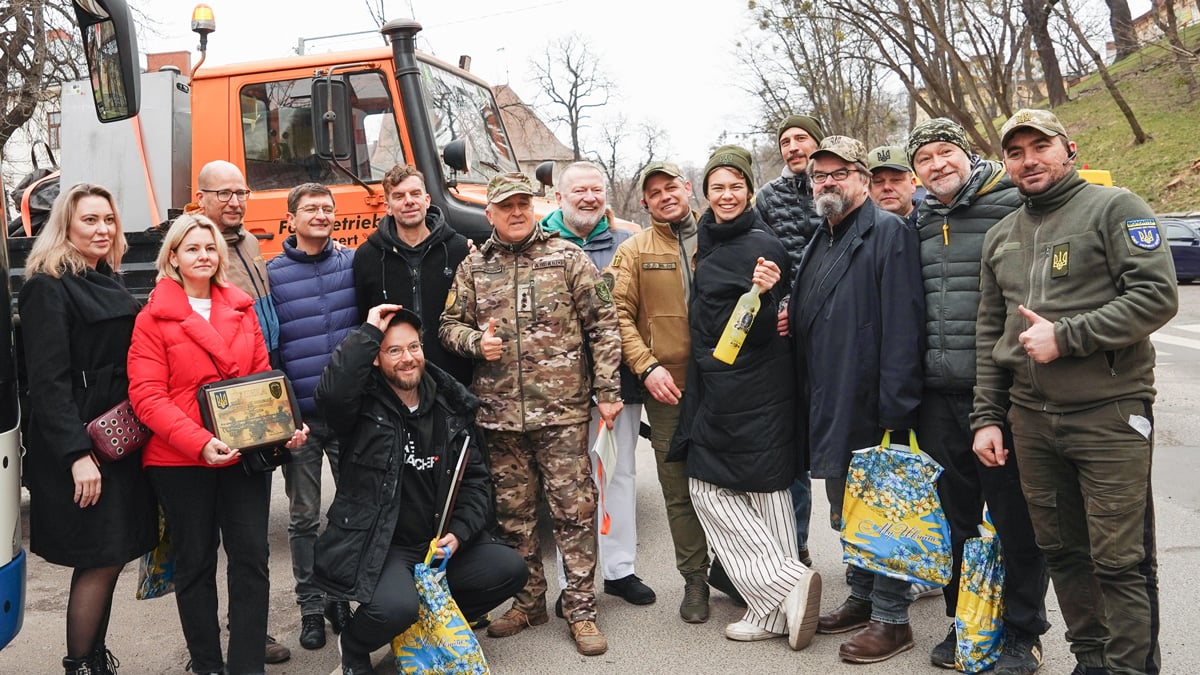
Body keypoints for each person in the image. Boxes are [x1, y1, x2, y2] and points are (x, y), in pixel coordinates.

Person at [972, 109, 1177, 675]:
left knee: (1120, 560)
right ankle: (1091, 660)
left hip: (1109, 415)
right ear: (1006, 164)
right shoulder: (1001, 236)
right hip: (1030, 422)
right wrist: (987, 417)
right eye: (1016, 152)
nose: (1029, 159)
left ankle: (1131, 667)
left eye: (1041, 146)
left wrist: (1068, 337)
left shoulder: (1116, 208)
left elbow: (1157, 296)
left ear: (1070, 149)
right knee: (1062, 551)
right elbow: (991, 335)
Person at [439, 172, 623, 657]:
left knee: (574, 512)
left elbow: (604, 326)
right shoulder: (475, 266)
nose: (516, 212)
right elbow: (447, 326)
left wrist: (607, 389)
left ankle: (581, 610)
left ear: (535, 207)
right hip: (499, 417)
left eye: (523, 204)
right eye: (506, 206)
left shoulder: (567, 257)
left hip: (561, 414)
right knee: (513, 517)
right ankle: (529, 602)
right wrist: (477, 342)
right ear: (490, 214)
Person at [127, 213, 308, 675]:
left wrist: (282, 430)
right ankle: (207, 664)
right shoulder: (152, 318)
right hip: (181, 459)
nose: (203, 255)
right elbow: (147, 397)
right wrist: (200, 442)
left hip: (242, 456)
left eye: (210, 248)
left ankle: (247, 665)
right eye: (192, 248)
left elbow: (259, 381)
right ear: (173, 257)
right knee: (195, 564)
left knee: (251, 559)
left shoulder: (242, 308)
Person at [906, 117, 1049, 674]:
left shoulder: (1012, 202)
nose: (938, 164)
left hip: (1004, 390)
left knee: (1014, 516)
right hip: (938, 394)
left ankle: (1023, 630)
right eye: (926, 158)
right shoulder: (917, 219)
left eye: (947, 152)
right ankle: (965, 619)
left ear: (968, 154)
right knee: (955, 518)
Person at [313, 305, 527, 675]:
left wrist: (458, 534)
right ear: (376, 359)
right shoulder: (361, 406)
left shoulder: (450, 406)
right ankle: (354, 642)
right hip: (384, 546)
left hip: (436, 544)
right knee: (395, 607)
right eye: (393, 350)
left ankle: (423, 632)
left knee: (509, 569)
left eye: (413, 347)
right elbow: (331, 394)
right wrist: (368, 332)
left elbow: (476, 483)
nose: (407, 358)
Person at [667, 145, 820, 651]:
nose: (726, 195)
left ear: (750, 191)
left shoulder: (758, 248)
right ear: (706, 196)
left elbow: (749, 332)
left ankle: (782, 584)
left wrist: (766, 295)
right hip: (750, 388)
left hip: (742, 390)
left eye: (736, 186)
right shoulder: (718, 242)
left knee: (709, 490)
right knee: (767, 491)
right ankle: (771, 610)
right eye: (717, 187)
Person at [787, 136, 924, 664]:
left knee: (881, 511)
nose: (827, 182)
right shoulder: (821, 237)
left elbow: (903, 326)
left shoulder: (886, 233)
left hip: (872, 402)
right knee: (847, 510)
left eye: (839, 173)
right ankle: (863, 597)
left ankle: (893, 620)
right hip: (830, 395)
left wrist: (897, 408)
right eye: (820, 175)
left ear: (862, 180)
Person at [18, 183, 158, 675]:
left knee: (112, 553)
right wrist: (78, 454)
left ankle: (95, 659)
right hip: (82, 445)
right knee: (99, 557)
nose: (102, 229)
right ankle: (80, 665)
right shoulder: (47, 285)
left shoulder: (106, 278)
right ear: (66, 227)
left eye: (108, 220)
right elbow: (46, 383)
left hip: (118, 441)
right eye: (90, 221)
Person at [540, 161, 655, 615]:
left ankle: (620, 569)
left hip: (618, 385)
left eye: (596, 190)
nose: (588, 198)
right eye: (579, 191)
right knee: (570, 483)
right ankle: (573, 577)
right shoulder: (540, 243)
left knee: (618, 473)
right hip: (560, 388)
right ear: (559, 197)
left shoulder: (627, 243)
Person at [607, 161, 714, 623]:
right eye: (654, 191)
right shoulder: (633, 251)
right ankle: (695, 581)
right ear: (645, 202)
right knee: (678, 489)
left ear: (687, 188)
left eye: (671, 186)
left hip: (722, 384)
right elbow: (616, 314)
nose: (665, 195)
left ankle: (737, 570)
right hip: (667, 387)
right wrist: (646, 366)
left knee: (729, 483)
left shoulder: (716, 236)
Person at [194, 159, 290, 665]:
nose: (234, 201)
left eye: (241, 192)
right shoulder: (199, 247)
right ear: (201, 198)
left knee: (250, 545)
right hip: (217, 410)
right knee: (205, 548)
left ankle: (249, 636)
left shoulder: (250, 243)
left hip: (258, 397)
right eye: (223, 193)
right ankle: (205, 646)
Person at [266, 183, 358, 650]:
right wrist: (284, 419)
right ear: (292, 219)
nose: (321, 215)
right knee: (303, 517)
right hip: (299, 419)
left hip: (348, 414)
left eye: (327, 208)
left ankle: (340, 595)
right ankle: (310, 607)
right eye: (311, 209)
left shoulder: (352, 264)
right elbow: (270, 349)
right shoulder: (273, 276)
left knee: (348, 511)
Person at [754, 113, 826, 568]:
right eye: (785, 141)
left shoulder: (836, 189)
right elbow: (763, 260)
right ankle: (795, 547)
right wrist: (781, 304)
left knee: (845, 447)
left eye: (801, 137)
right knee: (794, 447)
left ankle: (864, 555)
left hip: (835, 334)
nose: (793, 146)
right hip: (788, 337)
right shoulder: (768, 198)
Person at [354, 164, 472, 384]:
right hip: (395, 385)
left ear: (427, 200)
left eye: (415, 194)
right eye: (398, 196)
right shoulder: (367, 257)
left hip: (454, 381)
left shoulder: (459, 249)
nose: (408, 201)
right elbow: (363, 321)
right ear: (388, 206)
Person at [866, 145, 919, 226]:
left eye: (896, 180)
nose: (887, 187)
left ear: (912, 184)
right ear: (867, 189)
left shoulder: (935, 223)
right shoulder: (857, 230)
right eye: (878, 181)